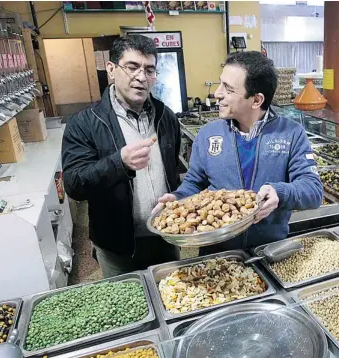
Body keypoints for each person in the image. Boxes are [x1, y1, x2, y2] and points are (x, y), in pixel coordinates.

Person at [155, 51, 323, 253]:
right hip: (217, 254)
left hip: (267, 253)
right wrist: (178, 199)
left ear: (256, 100)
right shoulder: (209, 134)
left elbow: (313, 191)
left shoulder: (291, 133)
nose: (217, 93)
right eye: (220, 84)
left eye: (228, 89)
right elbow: (194, 183)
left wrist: (280, 192)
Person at [62, 35, 181, 278]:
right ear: (111, 70)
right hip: (118, 245)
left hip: (166, 236)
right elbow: (74, 184)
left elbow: (173, 173)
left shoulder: (166, 116)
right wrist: (119, 163)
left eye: (149, 70)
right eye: (132, 67)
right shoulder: (84, 123)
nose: (141, 77)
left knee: (175, 301)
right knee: (131, 308)